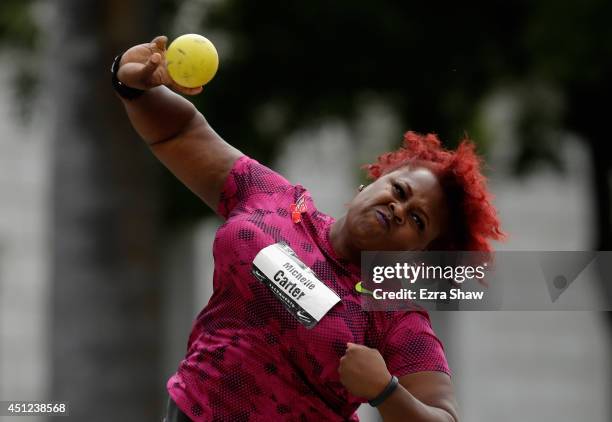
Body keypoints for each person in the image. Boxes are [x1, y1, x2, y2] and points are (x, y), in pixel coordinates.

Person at [112, 36, 504, 422]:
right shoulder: (273, 198)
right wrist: (130, 83)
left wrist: (385, 390)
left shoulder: (393, 312)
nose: (399, 209)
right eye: (399, 191)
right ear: (370, 183)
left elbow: (444, 417)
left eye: (418, 221)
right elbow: (179, 132)